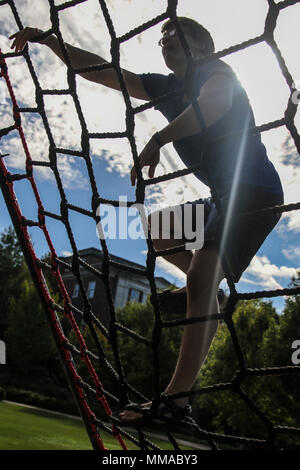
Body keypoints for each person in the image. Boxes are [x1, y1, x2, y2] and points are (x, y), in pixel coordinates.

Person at [10, 17, 284, 429]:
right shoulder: (165, 86)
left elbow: (213, 106)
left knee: (202, 274)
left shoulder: (218, 71)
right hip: (221, 197)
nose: (164, 43)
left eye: (173, 36)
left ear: (202, 45)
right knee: (159, 231)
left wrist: (159, 139)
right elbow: (105, 72)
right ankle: (207, 294)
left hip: (255, 192)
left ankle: (176, 404)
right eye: (161, 39)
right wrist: (51, 42)